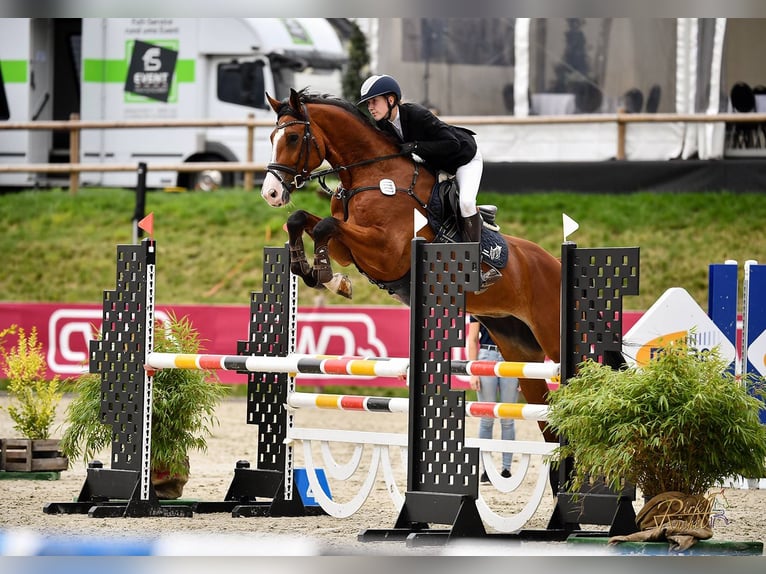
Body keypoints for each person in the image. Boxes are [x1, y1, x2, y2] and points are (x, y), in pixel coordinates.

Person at [357, 74, 500, 290]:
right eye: (368, 103)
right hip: (436, 165)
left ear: (391, 100)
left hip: (463, 159)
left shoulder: (416, 114)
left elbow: (451, 143)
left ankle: (475, 268)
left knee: (466, 204)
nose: (371, 108)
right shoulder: (385, 127)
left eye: (374, 101)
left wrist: (415, 147)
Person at [466, 315, 519, 482]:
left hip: (511, 356)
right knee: (486, 417)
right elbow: (473, 338)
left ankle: (506, 468)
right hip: (486, 355)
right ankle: (486, 469)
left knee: (508, 418)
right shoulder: (479, 308)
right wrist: (473, 370)